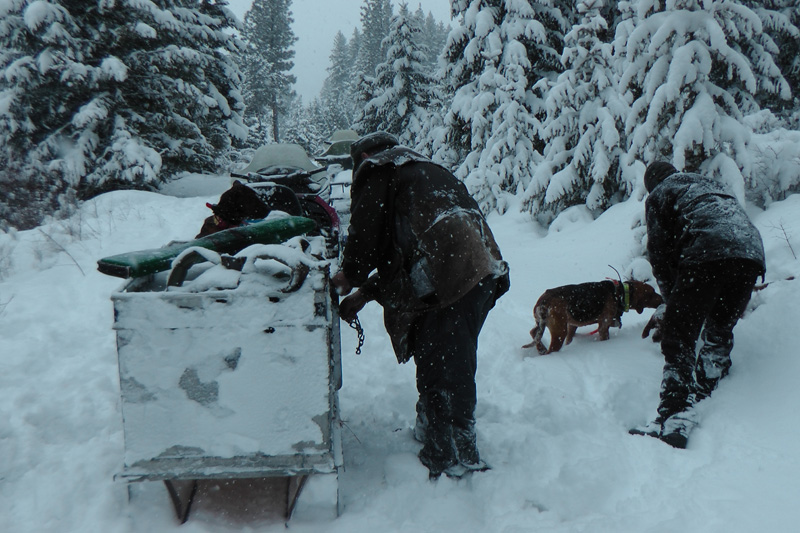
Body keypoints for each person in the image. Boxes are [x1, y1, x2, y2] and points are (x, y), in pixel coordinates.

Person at [331, 132, 510, 478]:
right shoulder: (422, 168)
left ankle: (448, 451)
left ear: (365, 155)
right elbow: (399, 251)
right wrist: (364, 294)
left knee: (438, 358)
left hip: (448, 272)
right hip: (483, 268)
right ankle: (447, 432)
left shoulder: (377, 169)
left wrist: (348, 276)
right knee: (454, 354)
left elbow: (366, 236)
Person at [634, 161, 765, 448]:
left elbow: (660, 253)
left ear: (651, 185)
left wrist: (672, 302)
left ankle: (675, 413)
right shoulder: (710, 185)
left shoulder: (660, 194)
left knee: (678, 338)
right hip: (750, 253)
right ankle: (707, 388)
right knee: (719, 329)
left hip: (708, 250)